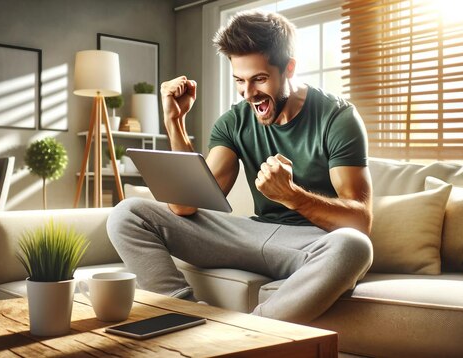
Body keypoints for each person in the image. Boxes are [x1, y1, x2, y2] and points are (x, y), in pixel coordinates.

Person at [107, 10, 373, 324]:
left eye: (259, 79)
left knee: (354, 246)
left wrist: (294, 197)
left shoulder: (336, 117)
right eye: (239, 81)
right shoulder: (233, 122)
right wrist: (175, 122)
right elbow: (184, 205)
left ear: (289, 68)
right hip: (249, 234)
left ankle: (248, 331)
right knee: (127, 213)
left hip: (309, 243)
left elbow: (360, 222)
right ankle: (186, 318)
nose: (248, 93)